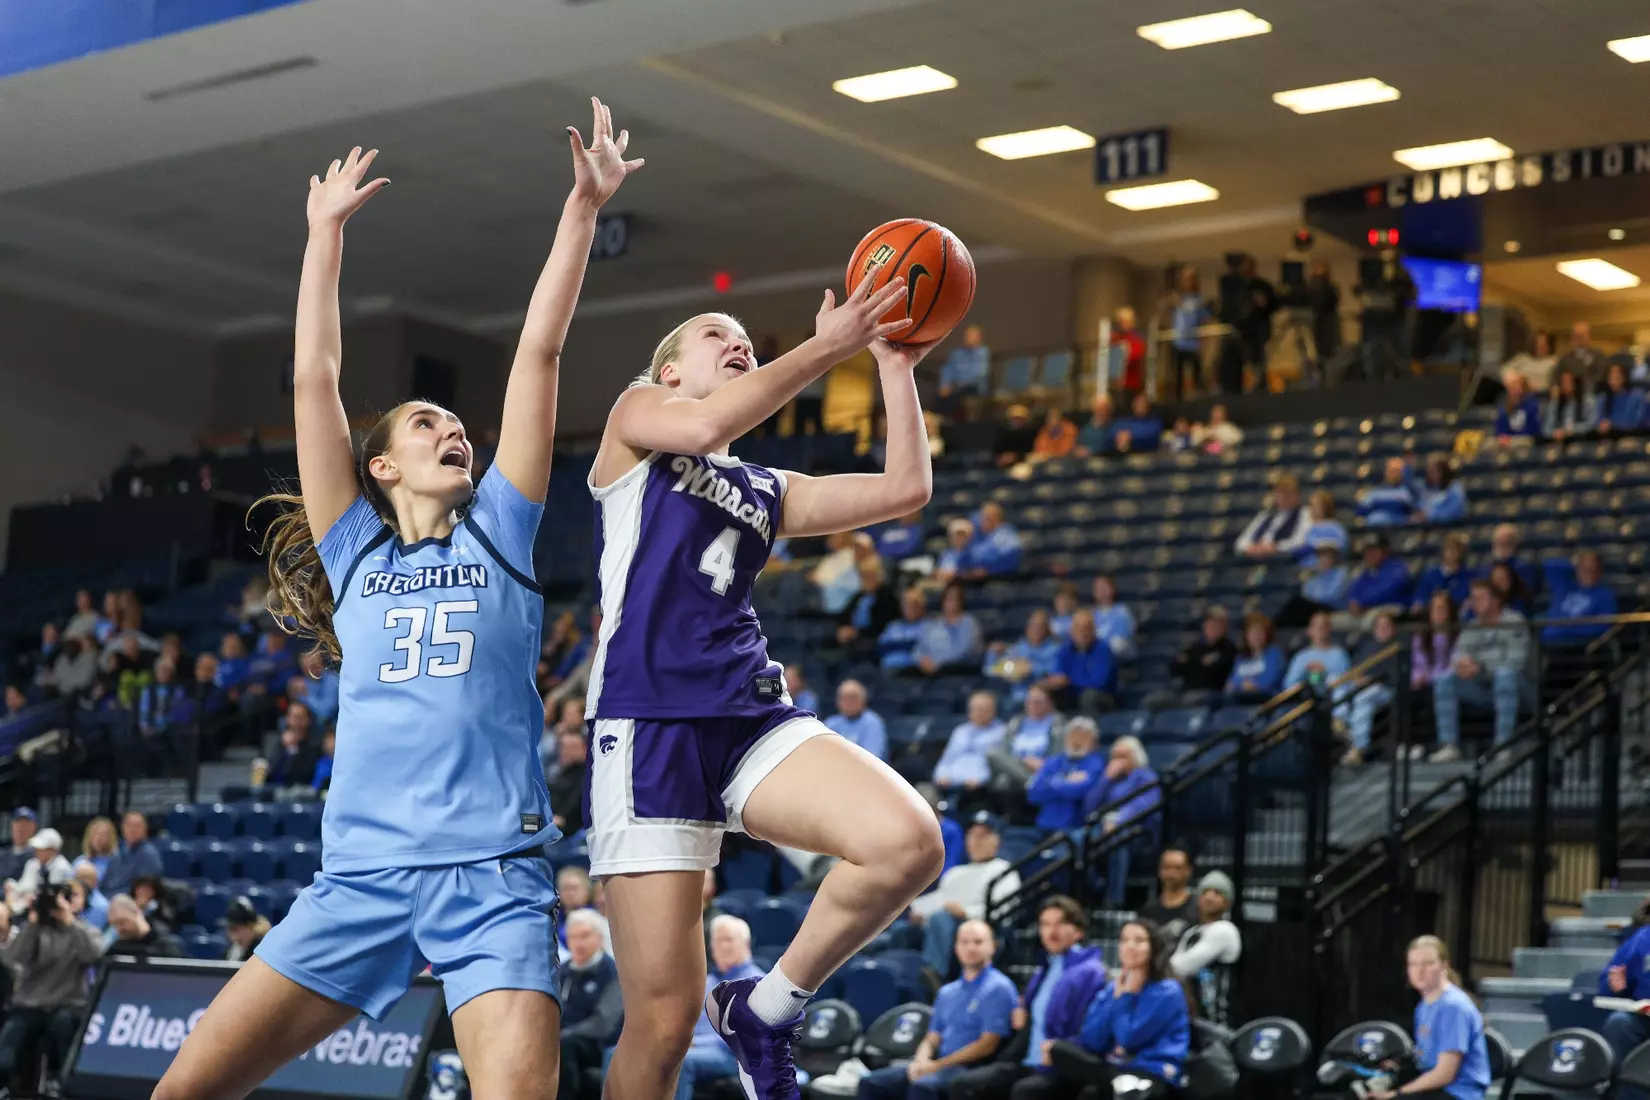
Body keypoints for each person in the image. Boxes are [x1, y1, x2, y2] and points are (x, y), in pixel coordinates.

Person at [155, 100, 643, 1100]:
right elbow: (312, 377)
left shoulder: (504, 529)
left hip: (494, 878)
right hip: (356, 884)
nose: (454, 428)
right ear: (380, 464)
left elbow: (539, 356)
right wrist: (322, 237)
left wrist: (583, 212)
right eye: (429, 422)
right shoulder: (355, 550)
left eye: (460, 423)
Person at [584, 196, 946, 1100]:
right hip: (649, 723)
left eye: (746, 338)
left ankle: (769, 1008)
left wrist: (890, 363)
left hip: (748, 714)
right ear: (670, 369)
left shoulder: (766, 486)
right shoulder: (637, 421)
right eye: (718, 334)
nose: (738, 342)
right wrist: (830, 343)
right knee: (662, 1026)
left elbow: (905, 489)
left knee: (908, 844)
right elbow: (704, 426)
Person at [947, 897, 1106, 1100]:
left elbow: (1089, 1028)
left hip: (1060, 1065)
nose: (1052, 931)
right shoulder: (1044, 969)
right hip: (1027, 1061)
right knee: (964, 1084)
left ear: (1079, 931)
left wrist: (1061, 1052)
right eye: (1045, 924)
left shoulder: (1090, 972)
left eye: (1060, 923)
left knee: (1025, 1091)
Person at [857, 920, 1017, 1100]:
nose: (970, 948)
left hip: (971, 1067)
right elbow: (932, 1037)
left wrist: (937, 1065)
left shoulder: (999, 988)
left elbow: (987, 1044)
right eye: (964, 942)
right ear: (956, 946)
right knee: (871, 1082)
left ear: (993, 946)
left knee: (922, 1087)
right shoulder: (947, 991)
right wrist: (920, 1061)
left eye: (978, 942)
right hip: (939, 1063)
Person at [1057, 918, 1190, 1100]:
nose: (1130, 946)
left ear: (1154, 948)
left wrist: (1125, 998)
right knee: (1064, 1058)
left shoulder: (1167, 991)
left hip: (1153, 1069)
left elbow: (1129, 1039)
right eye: (1124, 940)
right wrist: (1115, 998)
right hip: (1118, 1066)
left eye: (1139, 941)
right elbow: (1092, 1039)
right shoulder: (1113, 988)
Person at [0, 885, 104, 1092]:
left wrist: (69, 921)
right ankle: (12, 1087)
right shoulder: (34, 930)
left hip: (67, 1004)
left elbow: (93, 955)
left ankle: (60, 1083)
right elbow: (14, 958)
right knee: (6, 1054)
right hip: (30, 1004)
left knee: (63, 1025)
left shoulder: (86, 930)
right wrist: (33, 922)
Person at [1367, 936, 1489, 1100]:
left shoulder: (1453, 1006)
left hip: (1457, 1094)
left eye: (1428, 963)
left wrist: (1396, 1094)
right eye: (1413, 964)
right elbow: (1425, 1058)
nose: (1419, 970)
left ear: (1444, 966)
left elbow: (1445, 1074)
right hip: (1435, 1090)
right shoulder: (1423, 1007)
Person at [910, 814, 1021, 978]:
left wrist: (965, 912)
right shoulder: (955, 873)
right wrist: (920, 913)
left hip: (980, 927)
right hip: (942, 923)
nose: (977, 841)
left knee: (940, 919)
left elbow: (1004, 910)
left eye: (984, 835)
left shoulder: (1003, 871)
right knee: (903, 930)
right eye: (973, 835)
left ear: (997, 841)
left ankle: (935, 976)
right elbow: (939, 900)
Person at [1430, 580, 1529, 762]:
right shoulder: (1472, 626)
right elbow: (1458, 656)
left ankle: (1503, 744)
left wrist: (1481, 666)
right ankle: (1449, 745)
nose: (1475, 603)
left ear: (1496, 600)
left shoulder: (1514, 621)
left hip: (1518, 687)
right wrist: (1462, 665)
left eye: (1480, 598)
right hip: (1482, 687)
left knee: (1504, 675)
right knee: (1445, 679)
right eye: (1473, 598)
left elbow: (1515, 662)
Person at [1080, 737, 1161, 906]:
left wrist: (1118, 820)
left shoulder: (1145, 776)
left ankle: (1114, 899)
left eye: (1123, 756)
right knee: (1077, 839)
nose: (1117, 761)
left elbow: (1145, 804)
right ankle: (1095, 886)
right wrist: (1105, 779)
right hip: (1103, 829)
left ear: (1136, 757)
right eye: (1115, 756)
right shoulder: (1110, 779)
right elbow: (1089, 807)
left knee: (1117, 837)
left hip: (1137, 832)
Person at [559, 909, 624, 1100]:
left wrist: (564, 1034)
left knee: (565, 1044)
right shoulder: (563, 972)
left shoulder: (613, 972)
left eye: (584, 936)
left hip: (598, 1044)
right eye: (572, 937)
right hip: (564, 1038)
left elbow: (603, 1023)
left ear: (599, 937)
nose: (578, 943)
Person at [1169, 871, 1243, 1026]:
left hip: (1216, 1021)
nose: (1209, 897)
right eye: (1205, 892)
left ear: (1227, 902)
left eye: (1217, 893)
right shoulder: (1192, 932)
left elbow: (1181, 967)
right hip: (1191, 1017)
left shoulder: (1225, 930)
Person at [1339, 612, 1401, 767]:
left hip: (1386, 689)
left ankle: (1356, 747)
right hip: (1363, 687)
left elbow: (1394, 676)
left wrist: (1370, 680)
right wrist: (1357, 678)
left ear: (1393, 629)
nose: (1383, 629)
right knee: (1340, 687)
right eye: (1379, 626)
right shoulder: (1367, 646)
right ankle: (1340, 722)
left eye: (1387, 626)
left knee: (1363, 697)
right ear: (1373, 629)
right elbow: (1355, 668)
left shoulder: (1398, 647)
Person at [1601, 911, 1650, 1099]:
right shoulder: (1643, 938)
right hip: (1644, 1017)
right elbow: (1608, 979)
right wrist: (1614, 986)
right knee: (1619, 1022)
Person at [1026, 718, 1103, 831]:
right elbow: (1033, 792)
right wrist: (1065, 780)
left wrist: (1050, 782)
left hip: (1074, 828)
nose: (1077, 741)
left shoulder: (1095, 763)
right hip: (1043, 826)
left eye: (1083, 737)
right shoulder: (1054, 760)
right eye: (1073, 735)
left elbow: (1078, 791)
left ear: (1093, 742)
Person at [983, 609, 1063, 707]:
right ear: (1027, 628)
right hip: (1016, 697)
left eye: (1039, 627)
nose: (1035, 630)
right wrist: (992, 654)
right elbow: (989, 670)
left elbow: (1056, 672)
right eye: (1032, 626)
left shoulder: (1056, 649)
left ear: (1047, 629)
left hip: (1041, 696)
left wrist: (1030, 668)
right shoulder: (1018, 647)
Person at [991, 686, 1065, 792]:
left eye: (1039, 701)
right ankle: (1031, 782)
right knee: (996, 762)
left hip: (1041, 769)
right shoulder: (1015, 722)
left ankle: (1035, 781)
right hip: (1015, 767)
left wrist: (1044, 764)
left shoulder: (1058, 723)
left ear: (1050, 702)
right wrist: (1023, 761)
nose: (1034, 704)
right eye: (1030, 701)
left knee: (1006, 780)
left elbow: (1059, 753)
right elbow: (1005, 751)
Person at [1041, 611, 1117, 713]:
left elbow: (1099, 683)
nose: (1082, 633)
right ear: (1071, 631)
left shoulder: (1103, 649)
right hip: (1072, 693)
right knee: (1044, 692)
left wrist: (1069, 681)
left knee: (1089, 696)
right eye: (1078, 629)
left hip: (1101, 696)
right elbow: (1058, 672)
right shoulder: (1065, 649)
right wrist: (1053, 681)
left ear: (1093, 630)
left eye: (1086, 628)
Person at [933, 693, 1008, 795]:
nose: (978, 713)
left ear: (993, 711)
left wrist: (980, 779)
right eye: (974, 709)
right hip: (949, 782)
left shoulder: (1002, 732)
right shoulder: (960, 731)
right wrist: (940, 776)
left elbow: (998, 764)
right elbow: (946, 759)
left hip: (980, 787)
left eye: (982, 709)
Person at [1542, 550, 1617, 647]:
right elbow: (1549, 565)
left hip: (1578, 644)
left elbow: (1604, 626)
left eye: (1593, 569)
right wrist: (1572, 563)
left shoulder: (1605, 595)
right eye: (1585, 568)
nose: (1589, 573)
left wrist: (1571, 629)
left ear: (1599, 571)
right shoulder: (1565, 586)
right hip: (1550, 641)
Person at [912, 583, 986, 675]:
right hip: (929, 671)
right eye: (948, 598)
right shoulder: (932, 624)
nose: (951, 601)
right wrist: (922, 660)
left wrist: (938, 663)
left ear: (961, 601)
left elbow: (964, 652)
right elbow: (918, 650)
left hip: (957, 672)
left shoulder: (969, 623)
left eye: (955, 598)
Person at [1342, 533, 1413, 626]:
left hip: (1394, 608)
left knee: (1371, 619)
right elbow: (1353, 591)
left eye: (1374, 550)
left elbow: (1388, 591)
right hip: (1369, 609)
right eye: (1367, 551)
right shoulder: (1366, 571)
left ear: (1385, 552)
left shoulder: (1398, 568)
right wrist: (1354, 601)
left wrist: (1363, 602)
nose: (1369, 555)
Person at [1169, 607, 1236, 704]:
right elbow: (1175, 668)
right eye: (1208, 624)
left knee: (1191, 700)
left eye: (1216, 625)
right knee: (1155, 701)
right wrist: (1199, 663)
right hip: (1185, 691)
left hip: (1211, 694)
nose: (1211, 627)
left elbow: (1214, 673)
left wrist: (1191, 663)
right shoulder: (1195, 647)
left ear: (1224, 627)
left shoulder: (1228, 649)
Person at [1234, 474, 1311, 559]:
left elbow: (1300, 541)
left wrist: (1276, 547)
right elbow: (1241, 542)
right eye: (1278, 493)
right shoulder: (1266, 514)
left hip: (1282, 559)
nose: (1281, 498)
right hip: (1256, 557)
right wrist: (1251, 548)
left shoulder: (1305, 513)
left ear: (1296, 495)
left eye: (1286, 494)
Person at [836, 558, 900, 657]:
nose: (866, 580)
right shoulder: (858, 596)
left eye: (870, 576)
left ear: (879, 576)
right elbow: (844, 615)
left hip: (872, 639)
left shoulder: (888, 597)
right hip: (853, 636)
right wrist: (843, 628)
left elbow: (883, 626)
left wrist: (856, 632)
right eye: (863, 576)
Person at [1168, 266, 1211, 399]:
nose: (1186, 282)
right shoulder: (1177, 298)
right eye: (1184, 279)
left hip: (1193, 342)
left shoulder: (1199, 300)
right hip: (1178, 341)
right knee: (1178, 373)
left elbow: (1204, 320)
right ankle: (1178, 398)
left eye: (1189, 279)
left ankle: (1197, 395)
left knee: (1196, 371)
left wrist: (1203, 342)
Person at [1139, 847, 1198, 941]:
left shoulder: (1199, 907)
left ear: (1188, 871)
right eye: (1166, 868)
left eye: (1177, 868)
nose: (1171, 873)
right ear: (1159, 871)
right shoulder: (1148, 911)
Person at [102, 810, 163, 900]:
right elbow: (106, 883)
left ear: (145, 829)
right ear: (123, 827)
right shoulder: (116, 853)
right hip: (108, 899)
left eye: (137, 826)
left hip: (128, 903)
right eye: (129, 825)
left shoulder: (149, 854)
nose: (132, 829)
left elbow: (144, 892)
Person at [8, 828, 74, 910]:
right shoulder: (32, 864)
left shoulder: (62, 867)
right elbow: (23, 888)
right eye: (37, 848)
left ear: (53, 850)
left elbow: (52, 898)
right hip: (28, 909)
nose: (37, 851)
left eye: (42, 849)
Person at [1224, 613, 1285, 703]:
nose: (1256, 636)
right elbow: (1231, 683)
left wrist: (1251, 686)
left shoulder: (1275, 654)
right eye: (1252, 633)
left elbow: (1270, 681)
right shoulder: (1241, 657)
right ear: (1246, 636)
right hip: (1240, 700)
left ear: (1267, 635)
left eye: (1260, 632)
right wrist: (1242, 685)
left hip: (1266, 700)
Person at [1284, 613, 1352, 693]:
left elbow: (1348, 680)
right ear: (1309, 630)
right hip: (1310, 699)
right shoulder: (1301, 656)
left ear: (1330, 629)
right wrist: (1305, 672)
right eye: (1317, 627)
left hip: (1337, 696)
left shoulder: (1339, 654)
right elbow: (1288, 685)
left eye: (1324, 626)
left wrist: (1324, 673)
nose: (1321, 630)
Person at [824, 680, 888, 761]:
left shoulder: (872, 723)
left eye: (853, 697)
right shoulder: (831, 723)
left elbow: (872, 758)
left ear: (863, 700)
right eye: (844, 698)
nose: (848, 702)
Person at [1411, 534, 1473, 617]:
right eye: (1450, 548)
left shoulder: (1468, 576)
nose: (1453, 553)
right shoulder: (1431, 575)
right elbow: (1419, 598)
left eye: (1457, 549)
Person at [106, 893, 184, 958]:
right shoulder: (117, 950)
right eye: (114, 925)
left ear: (136, 912)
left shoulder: (167, 945)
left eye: (122, 922)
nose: (119, 929)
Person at [964, 504, 1024, 580]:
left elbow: (1012, 555)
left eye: (986, 518)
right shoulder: (982, 535)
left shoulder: (1004, 534)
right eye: (982, 517)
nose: (982, 521)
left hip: (998, 580)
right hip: (978, 579)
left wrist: (989, 569)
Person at [939, 325, 992, 409]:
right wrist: (945, 384)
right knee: (941, 397)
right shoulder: (957, 353)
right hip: (957, 388)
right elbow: (948, 369)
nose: (969, 338)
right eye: (967, 336)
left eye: (972, 336)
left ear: (979, 337)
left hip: (974, 388)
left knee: (969, 395)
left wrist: (957, 383)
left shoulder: (983, 352)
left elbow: (980, 373)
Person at [879, 588, 930, 673]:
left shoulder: (930, 627)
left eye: (915, 604)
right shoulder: (893, 626)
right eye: (907, 604)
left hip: (915, 672)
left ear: (922, 607)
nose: (910, 608)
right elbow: (881, 648)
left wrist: (897, 645)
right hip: (887, 670)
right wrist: (908, 645)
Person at [1358, 457, 1418, 528]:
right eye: (1391, 471)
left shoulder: (1407, 492)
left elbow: (1413, 511)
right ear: (1386, 472)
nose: (1394, 474)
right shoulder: (1375, 492)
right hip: (1375, 528)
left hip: (1399, 527)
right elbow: (1361, 510)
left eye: (1397, 471)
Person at [1088, 576, 1136, 660]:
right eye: (1098, 587)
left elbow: (1124, 637)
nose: (1101, 590)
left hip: (1118, 655)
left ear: (1112, 589)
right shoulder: (1090, 614)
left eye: (1104, 586)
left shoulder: (1122, 611)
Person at [1543, 367, 1595, 440]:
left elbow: (1591, 424)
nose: (1565, 385)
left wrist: (1571, 430)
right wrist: (1555, 433)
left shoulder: (1586, 401)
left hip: (1580, 438)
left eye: (1568, 382)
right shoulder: (1555, 404)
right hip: (1559, 439)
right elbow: (1546, 429)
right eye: (1563, 382)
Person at [1556, 320, 1610, 387]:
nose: (1580, 338)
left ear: (1588, 336)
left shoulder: (1599, 356)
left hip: (1593, 393)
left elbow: (1602, 375)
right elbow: (1557, 377)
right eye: (1577, 335)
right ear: (1573, 337)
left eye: (1582, 335)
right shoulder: (1565, 359)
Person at [1596, 361, 1645, 434]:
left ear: (1624, 376)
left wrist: (1613, 425)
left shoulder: (1637, 395)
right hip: (1608, 437)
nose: (1613, 379)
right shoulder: (1603, 398)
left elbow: (1638, 421)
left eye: (1617, 375)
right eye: (1611, 376)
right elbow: (1598, 421)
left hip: (1633, 435)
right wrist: (1601, 425)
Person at [1493, 372, 1542, 443]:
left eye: (1515, 386)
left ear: (1522, 387)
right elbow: (1500, 426)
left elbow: (1533, 428)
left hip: (1526, 439)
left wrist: (1514, 439)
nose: (1513, 390)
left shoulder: (1532, 404)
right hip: (1508, 440)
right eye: (1511, 387)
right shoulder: (1504, 405)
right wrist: (1504, 437)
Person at [224, 896, 271, 963]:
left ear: (250, 926)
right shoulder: (231, 950)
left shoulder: (263, 952)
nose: (233, 936)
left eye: (235, 929)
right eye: (230, 929)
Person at [0, 808, 37, 885]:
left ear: (33, 828)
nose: (21, 829)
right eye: (18, 824)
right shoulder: (3, 854)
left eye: (25, 825)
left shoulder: (37, 856)